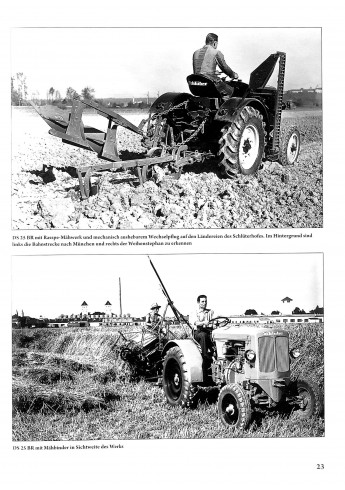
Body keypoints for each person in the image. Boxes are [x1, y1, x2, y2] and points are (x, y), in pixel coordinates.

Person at [193, 33, 238, 97]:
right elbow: (224, 67)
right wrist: (233, 75)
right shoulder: (216, 52)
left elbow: (201, 71)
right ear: (215, 43)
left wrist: (214, 72)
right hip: (210, 85)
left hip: (195, 85)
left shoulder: (196, 52)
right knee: (233, 92)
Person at [190, 294, 214, 359]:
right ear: (198, 302)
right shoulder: (195, 312)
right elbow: (195, 323)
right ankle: (204, 357)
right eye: (202, 301)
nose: (205, 303)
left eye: (206, 301)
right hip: (198, 332)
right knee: (203, 335)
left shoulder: (210, 312)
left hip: (209, 332)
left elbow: (215, 320)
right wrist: (203, 323)